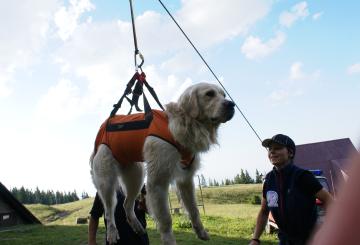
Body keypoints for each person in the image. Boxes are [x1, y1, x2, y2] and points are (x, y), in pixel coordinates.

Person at [249, 134, 332, 245]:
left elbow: (331, 202)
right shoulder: (269, 180)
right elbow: (264, 212)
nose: (272, 152)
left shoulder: (303, 176)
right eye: (270, 149)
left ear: (290, 153)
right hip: (284, 240)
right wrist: (255, 239)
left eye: (277, 148)